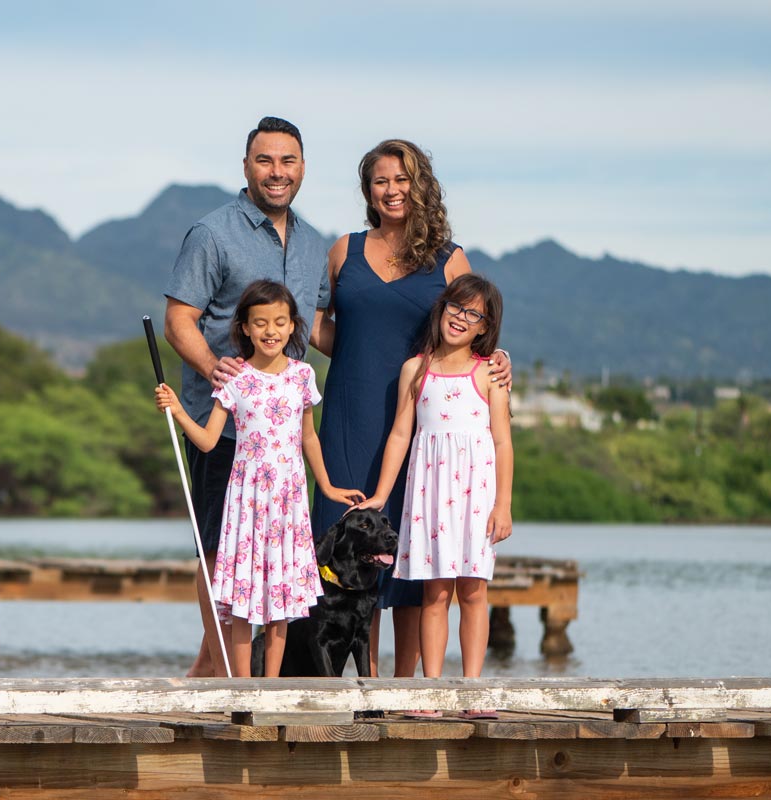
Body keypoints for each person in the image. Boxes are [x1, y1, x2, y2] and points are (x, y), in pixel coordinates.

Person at [312, 139, 511, 678]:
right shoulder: (343, 250)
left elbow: (475, 325)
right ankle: (356, 686)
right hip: (352, 416)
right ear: (368, 191)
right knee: (347, 550)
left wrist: (498, 360)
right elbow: (315, 325)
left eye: (402, 179)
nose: (392, 190)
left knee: (411, 557)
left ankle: (404, 689)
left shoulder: (449, 258)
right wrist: (356, 351)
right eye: (381, 181)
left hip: (424, 430)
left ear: (421, 186)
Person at [164, 117, 333, 677]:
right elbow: (178, 320)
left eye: (288, 161)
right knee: (218, 552)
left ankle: (210, 671)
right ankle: (218, 670)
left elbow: (321, 330)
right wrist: (219, 370)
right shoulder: (213, 234)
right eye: (265, 161)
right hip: (229, 426)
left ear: (303, 168)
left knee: (270, 560)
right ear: (246, 167)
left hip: (283, 444)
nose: (277, 172)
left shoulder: (312, 244)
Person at [156, 280, 363, 677]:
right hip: (247, 502)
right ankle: (242, 687)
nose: (271, 330)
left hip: (288, 501)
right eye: (261, 322)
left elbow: (309, 436)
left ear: (291, 326)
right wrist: (178, 410)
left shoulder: (302, 375)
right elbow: (207, 441)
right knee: (242, 598)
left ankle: (272, 686)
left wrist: (329, 486)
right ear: (246, 328)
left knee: (281, 598)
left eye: (279, 322)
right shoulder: (235, 377)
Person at [359, 274, 513, 717]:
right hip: (430, 494)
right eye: (455, 307)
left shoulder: (489, 374)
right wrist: (380, 494)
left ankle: (472, 691)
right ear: (441, 308)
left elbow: (503, 442)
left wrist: (503, 504)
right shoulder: (416, 369)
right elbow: (400, 434)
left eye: (472, 314)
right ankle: (430, 692)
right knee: (435, 596)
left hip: (476, 496)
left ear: (484, 326)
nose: (460, 318)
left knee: (473, 593)